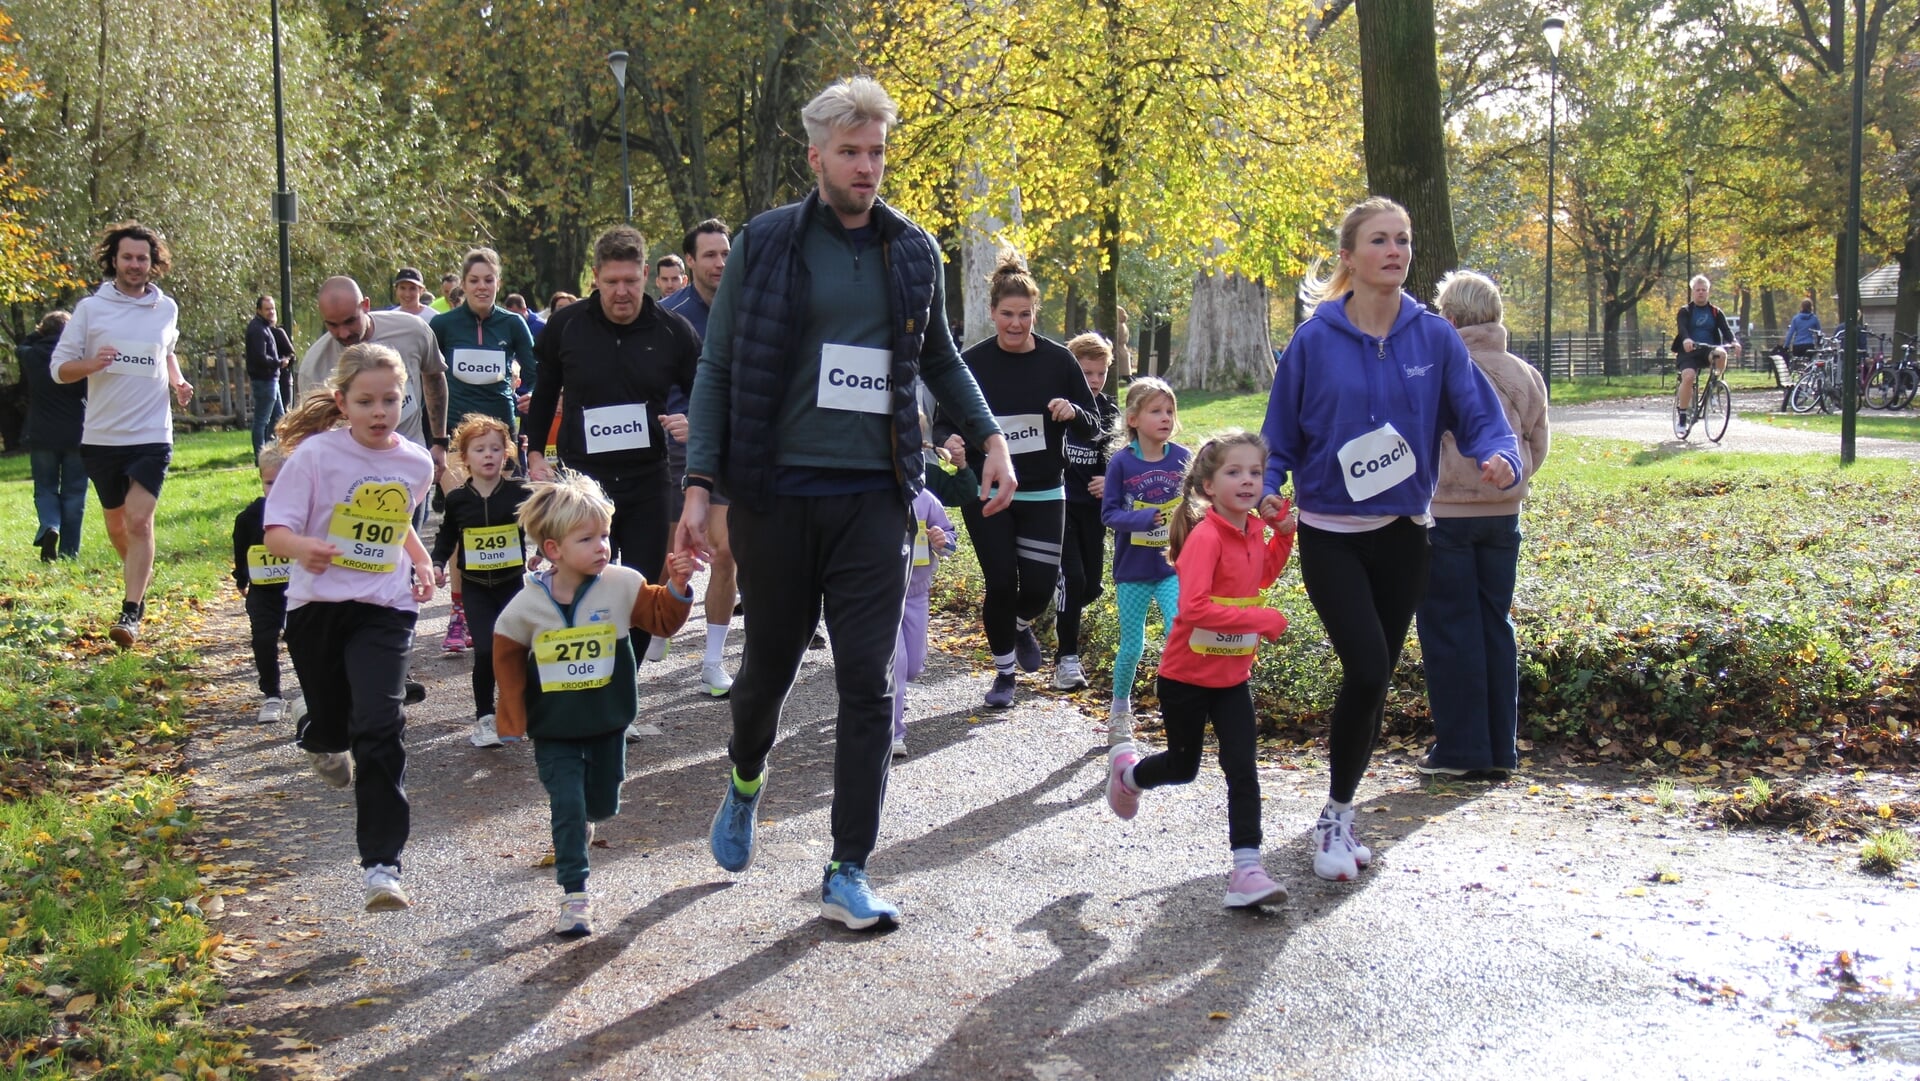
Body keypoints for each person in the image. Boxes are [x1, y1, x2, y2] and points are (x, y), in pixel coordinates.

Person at [677, 76, 1014, 930]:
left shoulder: (912, 249)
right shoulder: (766, 243)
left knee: (869, 678)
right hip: (779, 492)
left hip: (874, 495)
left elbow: (940, 358)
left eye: (877, 152)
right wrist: (699, 483)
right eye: (852, 152)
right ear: (817, 155)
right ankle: (746, 776)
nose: (868, 167)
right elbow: (717, 368)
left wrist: (990, 437)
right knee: (768, 675)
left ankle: (848, 868)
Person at [1258, 196, 1520, 884]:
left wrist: (1503, 458)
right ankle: (1335, 819)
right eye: (1380, 240)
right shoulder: (1314, 341)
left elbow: (1481, 418)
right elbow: (1278, 436)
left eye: (1403, 239)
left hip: (1407, 535)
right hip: (1330, 535)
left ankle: (1340, 809)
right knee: (1370, 667)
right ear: (1349, 257)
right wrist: (1268, 488)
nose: (1396, 250)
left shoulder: (1434, 338)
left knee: (1369, 684)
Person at [264, 343, 437, 912]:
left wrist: (419, 557)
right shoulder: (315, 456)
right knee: (338, 725)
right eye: (366, 401)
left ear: (403, 400)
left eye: (390, 399)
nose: (379, 411)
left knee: (381, 724)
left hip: (384, 607)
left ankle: (383, 867)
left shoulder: (416, 462)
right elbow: (276, 531)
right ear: (342, 403)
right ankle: (317, 729)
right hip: (317, 607)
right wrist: (303, 547)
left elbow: (395, 520)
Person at [494, 471, 696, 936]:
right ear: (553, 550)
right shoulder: (526, 606)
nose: (602, 545)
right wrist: (512, 715)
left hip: (609, 719)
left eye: (604, 534)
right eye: (587, 538)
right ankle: (574, 896)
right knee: (566, 802)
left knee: (601, 804)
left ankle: (586, 823)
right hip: (553, 727)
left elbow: (661, 618)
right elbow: (505, 654)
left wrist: (679, 588)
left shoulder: (622, 583)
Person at [1107, 431, 1297, 908]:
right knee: (1183, 767)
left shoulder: (1253, 529)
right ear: (1209, 486)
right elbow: (1192, 610)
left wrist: (1284, 535)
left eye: (1255, 472)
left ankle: (1247, 870)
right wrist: (1260, 619)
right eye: (1234, 472)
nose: (1248, 481)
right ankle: (1129, 775)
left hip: (1233, 677)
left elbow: (1263, 575)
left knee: (1243, 768)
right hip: (1186, 679)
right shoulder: (1206, 537)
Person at [525, 225, 701, 729]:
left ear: (645, 274)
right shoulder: (566, 327)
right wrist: (536, 453)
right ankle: (580, 686)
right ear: (595, 279)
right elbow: (545, 390)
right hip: (584, 484)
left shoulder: (672, 331)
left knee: (642, 589)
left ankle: (621, 691)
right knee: (578, 584)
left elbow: (703, 394)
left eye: (630, 280)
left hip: (647, 480)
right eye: (611, 282)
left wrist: (694, 425)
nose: (622, 292)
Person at [940, 250, 1099, 708]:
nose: (1015, 323)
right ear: (992, 313)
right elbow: (940, 422)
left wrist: (1074, 411)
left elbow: (1096, 425)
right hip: (987, 490)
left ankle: (1021, 624)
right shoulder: (971, 364)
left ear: (1035, 313)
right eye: (1007, 315)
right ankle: (1005, 675)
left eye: (1024, 315)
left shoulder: (1058, 361)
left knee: (1038, 587)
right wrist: (949, 442)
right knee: (999, 580)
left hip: (1046, 489)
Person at [1414, 270, 1550, 781]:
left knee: (1450, 627)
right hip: (1503, 515)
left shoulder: (1437, 369)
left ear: (1447, 318)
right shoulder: (1524, 374)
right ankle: (1500, 747)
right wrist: (1512, 481)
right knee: (1496, 624)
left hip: (1445, 515)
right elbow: (1536, 445)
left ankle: (1460, 747)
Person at [50, 221, 195, 647]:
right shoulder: (90, 310)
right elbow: (59, 369)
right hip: (101, 436)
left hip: (151, 433)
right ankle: (140, 576)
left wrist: (178, 381)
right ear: (114, 260)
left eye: (142, 259)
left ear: (154, 264)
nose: (135, 265)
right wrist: (92, 364)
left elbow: (165, 352)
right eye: (128, 257)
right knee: (117, 525)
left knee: (139, 520)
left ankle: (131, 611)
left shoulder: (166, 309)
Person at [661, 218, 738, 694]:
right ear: (690, 261)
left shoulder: (747, 309)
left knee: (727, 552)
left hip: (729, 446)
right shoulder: (670, 314)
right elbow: (658, 383)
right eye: (709, 255)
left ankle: (712, 660)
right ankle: (657, 626)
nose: (720, 263)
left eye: (725, 253)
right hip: (678, 447)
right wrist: (680, 418)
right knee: (674, 554)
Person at [431, 414, 533, 748]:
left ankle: (518, 709)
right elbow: (447, 536)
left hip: (511, 583)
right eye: (479, 449)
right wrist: (436, 563)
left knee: (516, 650)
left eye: (495, 448)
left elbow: (540, 524)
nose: (488, 455)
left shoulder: (518, 492)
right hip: (476, 587)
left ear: (507, 453)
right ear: (465, 457)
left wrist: (543, 553)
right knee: (487, 650)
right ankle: (484, 718)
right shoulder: (459, 498)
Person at [1100, 377, 1188, 741]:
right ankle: (1120, 708)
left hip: (1171, 566)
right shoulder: (1122, 463)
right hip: (1133, 570)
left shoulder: (1182, 457)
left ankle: (1178, 703)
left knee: (1177, 629)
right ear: (1134, 419)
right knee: (1132, 645)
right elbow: (1109, 515)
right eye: (1156, 411)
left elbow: (1196, 504)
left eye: (1169, 411)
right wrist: (1142, 518)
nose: (1165, 418)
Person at [892, 420, 974, 757]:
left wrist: (943, 541)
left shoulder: (926, 498)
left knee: (913, 664)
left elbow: (949, 535)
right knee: (893, 665)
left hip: (916, 592)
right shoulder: (869, 496)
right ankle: (893, 731)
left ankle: (895, 695)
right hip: (879, 596)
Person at [1053, 332, 1119, 694]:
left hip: (1093, 511)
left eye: (1100, 374)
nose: (1094, 381)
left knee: (1091, 586)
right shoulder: (1057, 407)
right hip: (1059, 507)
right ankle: (1067, 660)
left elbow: (1123, 458)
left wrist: (1110, 480)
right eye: (1086, 373)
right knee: (1074, 579)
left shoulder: (1109, 411)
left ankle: (1055, 602)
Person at [429, 248, 537, 439]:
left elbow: (537, 371)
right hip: (455, 430)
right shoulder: (442, 324)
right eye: (474, 280)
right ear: (463, 284)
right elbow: (427, 378)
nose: (482, 286)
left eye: (489, 280)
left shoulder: (513, 324)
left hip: (501, 429)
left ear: (498, 283)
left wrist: (533, 393)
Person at [233, 442, 294, 725]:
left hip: (298, 590)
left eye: (283, 482)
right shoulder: (249, 518)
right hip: (263, 591)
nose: (276, 489)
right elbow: (242, 549)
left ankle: (311, 691)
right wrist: (241, 578)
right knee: (263, 639)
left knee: (301, 639)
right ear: (261, 481)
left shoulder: (304, 514)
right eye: (270, 483)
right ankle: (272, 694)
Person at [20, 310, 86, 561]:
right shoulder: (78, 358)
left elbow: (23, 344)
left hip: (42, 434)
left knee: (45, 487)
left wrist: (37, 334)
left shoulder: (32, 355)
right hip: (77, 433)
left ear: (41, 331)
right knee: (74, 493)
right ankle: (70, 553)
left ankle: (50, 525)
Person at [1671, 274, 1739, 438]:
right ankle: (1682, 416)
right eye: (1697, 290)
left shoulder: (1716, 312)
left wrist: (1734, 342)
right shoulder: (1685, 311)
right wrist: (1687, 339)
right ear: (1693, 292)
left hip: (1708, 350)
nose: (1701, 293)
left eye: (1704, 290)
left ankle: (1714, 387)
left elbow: (1726, 330)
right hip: (1689, 352)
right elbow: (1682, 328)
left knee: (1721, 353)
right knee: (1688, 376)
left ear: (1708, 292)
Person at [245, 295, 293, 460]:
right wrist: (280, 363)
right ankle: (260, 458)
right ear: (259, 310)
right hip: (265, 381)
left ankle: (278, 455)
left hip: (272, 380)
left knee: (279, 418)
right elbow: (260, 357)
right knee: (261, 421)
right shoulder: (257, 329)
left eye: (273, 308)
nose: (271, 312)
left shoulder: (265, 327)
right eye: (267, 309)